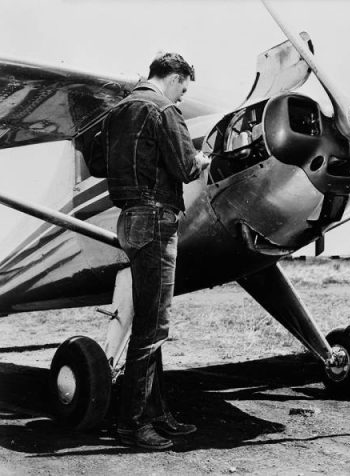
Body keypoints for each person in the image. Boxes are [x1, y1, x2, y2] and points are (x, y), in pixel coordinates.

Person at [101, 52, 211, 450]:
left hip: (128, 220)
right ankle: (132, 426)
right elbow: (185, 168)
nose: (183, 96)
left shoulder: (117, 111)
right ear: (175, 76)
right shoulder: (164, 111)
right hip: (156, 219)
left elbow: (97, 161)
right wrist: (202, 158)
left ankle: (157, 414)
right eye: (184, 87)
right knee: (153, 327)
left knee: (150, 320)